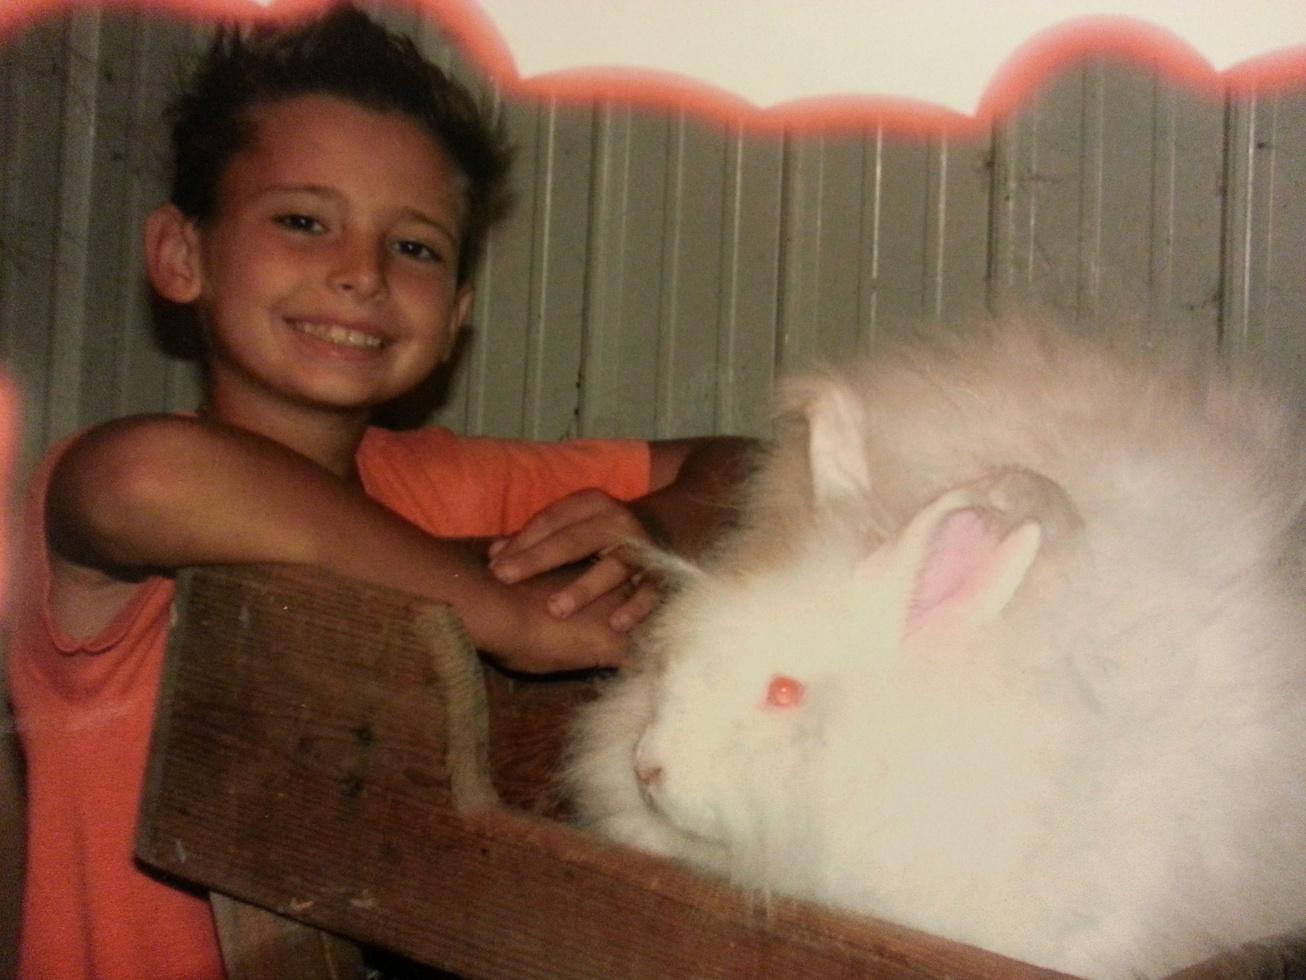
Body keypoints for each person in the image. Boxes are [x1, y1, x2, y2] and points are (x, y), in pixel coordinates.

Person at [7, 7, 751, 979]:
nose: (360, 273)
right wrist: (502, 614)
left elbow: (748, 462)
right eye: (303, 222)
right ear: (182, 256)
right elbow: (148, 476)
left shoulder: (441, 477)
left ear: (457, 315)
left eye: (415, 247)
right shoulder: (118, 487)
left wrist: (655, 526)